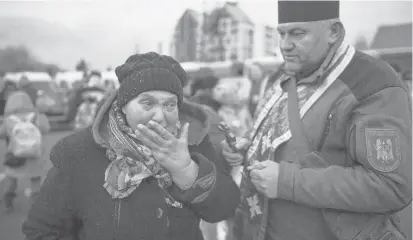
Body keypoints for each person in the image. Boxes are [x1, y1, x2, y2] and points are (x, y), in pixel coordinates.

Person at [222, 1, 412, 240]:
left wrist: (287, 182)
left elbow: (389, 186)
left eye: (297, 33)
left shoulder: (373, 83)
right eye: (281, 33)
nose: (284, 45)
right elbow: (281, 136)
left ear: (334, 31)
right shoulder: (281, 75)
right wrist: (250, 146)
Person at [23, 52, 240, 240]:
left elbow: (222, 209)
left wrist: (187, 172)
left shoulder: (192, 144)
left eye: (170, 104)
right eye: (147, 103)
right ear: (123, 106)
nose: (160, 116)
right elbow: (42, 230)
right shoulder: (78, 152)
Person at [0, 91, 50, 212]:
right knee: (35, 180)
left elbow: (0, 134)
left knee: (12, 180)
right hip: (34, 155)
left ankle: (8, 203)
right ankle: (35, 206)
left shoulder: (9, 120)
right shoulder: (35, 116)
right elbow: (46, 129)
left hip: (15, 156)